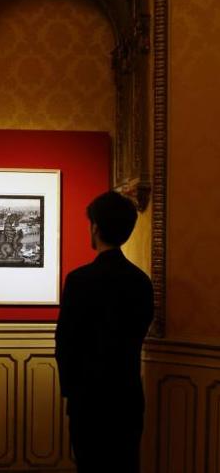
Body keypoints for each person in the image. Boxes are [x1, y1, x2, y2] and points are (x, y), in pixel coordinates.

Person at [55, 191, 154, 473]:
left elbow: (65, 342)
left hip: (88, 400)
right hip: (127, 397)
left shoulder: (79, 280)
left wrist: (71, 391)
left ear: (95, 227)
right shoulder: (141, 282)